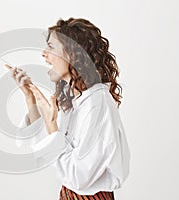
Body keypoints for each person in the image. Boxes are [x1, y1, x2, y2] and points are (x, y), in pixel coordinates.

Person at [7, 17, 131, 200]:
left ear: (73, 54)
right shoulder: (76, 100)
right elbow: (41, 145)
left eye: (51, 47)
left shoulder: (97, 103)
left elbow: (78, 177)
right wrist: (30, 99)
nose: (43, 54)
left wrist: (52, 126)